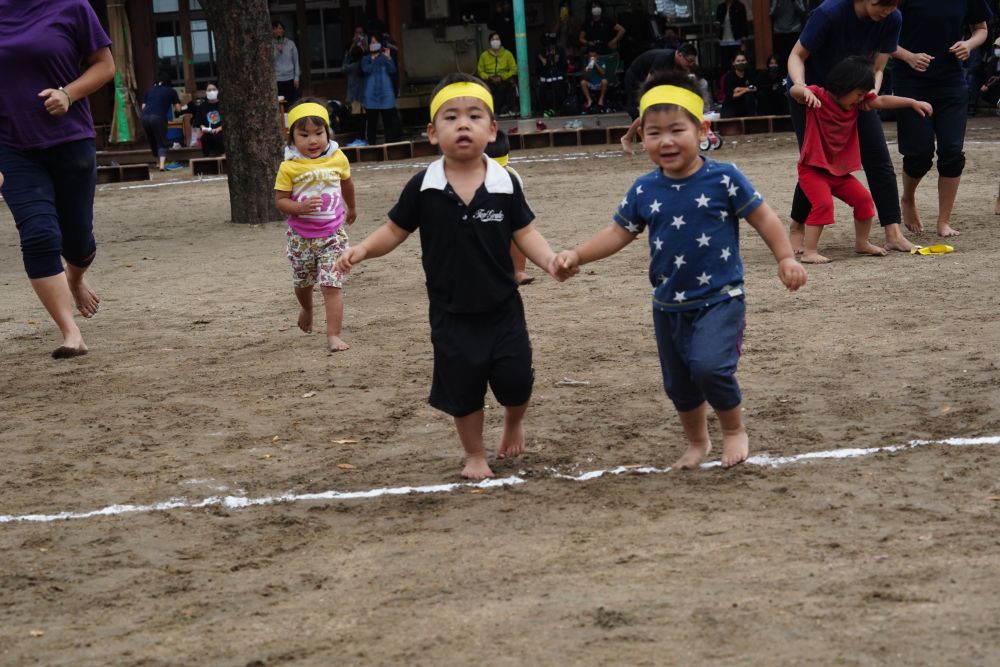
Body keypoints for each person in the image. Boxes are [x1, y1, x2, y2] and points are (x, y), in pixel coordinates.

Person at [554, 71, 807, 470]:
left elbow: (763, 217)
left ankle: (733, 430)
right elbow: (618, 232)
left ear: (702, 130)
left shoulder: (724, 178)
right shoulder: (643, 189)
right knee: (679, 384)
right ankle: (697, 441)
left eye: (676, 130)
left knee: (710, 367)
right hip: (668, 304)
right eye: (654, 133)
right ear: (642, 136)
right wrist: (577, 255)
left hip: (721, 298)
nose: (666, 141)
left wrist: (785, 257)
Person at [335, 73, 564, 480]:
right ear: (431, 132)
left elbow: (525, 232)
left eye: (474, 116)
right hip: (450, 313)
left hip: (503, 307)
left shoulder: (505, 184)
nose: (463, 125)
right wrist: (363, 249)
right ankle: (474, 454)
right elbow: (394, 230)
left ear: (491, 131)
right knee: (463, 389)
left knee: (516, 380)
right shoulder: (423, 187)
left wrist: (549, 261)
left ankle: (513, 422)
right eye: (451, 117)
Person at [0, 0, 115, 359]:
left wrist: (68, 93)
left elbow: (105, 65)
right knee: (38, 234)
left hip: (70, 141)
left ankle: (74, 277)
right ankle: (71, 333)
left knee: (77, 242)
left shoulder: (73, 6)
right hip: (12, 147)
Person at [787, 0, 915, 253]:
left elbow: (878, 67)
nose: (887, 11)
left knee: (879, 157)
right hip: (813, 94)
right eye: (881, 4)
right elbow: (797, 55)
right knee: (815, 163)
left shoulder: (892, 18)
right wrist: (801, 87)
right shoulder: (829, 13)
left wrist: (869, 94)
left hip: (856, 93)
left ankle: (892, 232)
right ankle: (797, 227)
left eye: (893, 5)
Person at [790, 56, 933, 263]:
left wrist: (912, 102)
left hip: (839, 173)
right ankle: (810, 252)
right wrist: (803, 90)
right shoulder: (818, 96)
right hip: (813, 170)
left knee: (864, 201)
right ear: (843, 86)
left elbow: (882, 100)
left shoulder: (857, 104)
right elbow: (794, 91)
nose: (860, 99)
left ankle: (862, 243)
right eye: (858, 94)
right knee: (823, 204)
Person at [892, 0, 992, 238]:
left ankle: (943, 221)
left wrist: (968, 44)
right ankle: (908, 198)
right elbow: (879, 34)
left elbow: (981, 29)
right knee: (919, 154)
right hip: (911, 81)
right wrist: (908, 56)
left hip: (951, 81)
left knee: (952, 152)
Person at [275, 100, 356, 352]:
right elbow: (280, 200)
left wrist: (352, 207)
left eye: (319, 133)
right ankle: (307, 308)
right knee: (303, 282)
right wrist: (299, 208)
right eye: (304, 135)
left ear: (327, 133)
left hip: (332, 235)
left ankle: (333, 335)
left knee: (331, 285)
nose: (313, 141)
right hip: (301, 237)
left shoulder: (337, 158)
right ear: (292, 138)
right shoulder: (289, 166)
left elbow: (347, 183)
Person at [485, 130, 532, 285]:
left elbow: (519, 208)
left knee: (516, 232)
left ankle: (519, 271)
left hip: (503, 215)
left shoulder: (512, 176)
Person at [624, 44, 699, 120]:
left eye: (693, 62)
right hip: (636, 77)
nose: (691, 64)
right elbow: (649, 82)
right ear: (680, 55)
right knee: (639, 106)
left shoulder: (681, 65)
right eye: (689, 61)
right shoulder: (664, 59)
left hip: (651, 79)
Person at [360, 35, 402, 146]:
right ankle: (371, 146)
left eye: (376, 42)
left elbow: (392, 70)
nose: (374, 44)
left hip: (386, 94)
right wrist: (375, 59)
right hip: (371, 95)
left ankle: (389, 146)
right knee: (371, 124)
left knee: (389, 123)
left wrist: (388, 58)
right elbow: (366, 70)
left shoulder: (384, 57)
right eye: (372, 42)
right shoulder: (366, 59)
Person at [140, 71, 181, 171]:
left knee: (152, 140)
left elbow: (143, 107)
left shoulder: (149, 90)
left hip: (144, 117)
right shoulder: (171, 91)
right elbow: (178, 108)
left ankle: (157, 163)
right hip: (158, 117)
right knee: (162, 140)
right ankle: (162, 166)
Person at [477, 32, 518, 116]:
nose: (495, 41)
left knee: (505, 88)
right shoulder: (484, 55)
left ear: (500, 41)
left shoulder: (507, 54)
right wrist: (488, 76)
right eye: (493, 39)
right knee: (487, 89)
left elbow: (514, 69)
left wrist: (503, 77)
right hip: (489, 80)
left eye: (497, 39)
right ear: (489, 42)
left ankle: (509, 110)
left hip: (504, 79)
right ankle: (492, 112)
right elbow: (480, 71)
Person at [536, 32, 568, 116]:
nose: (551, 47)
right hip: (545, 80)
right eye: (549, 45)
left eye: (552, 44)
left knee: (558, 90)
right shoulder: (540, 52)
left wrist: (558, 61)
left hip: (557, 78)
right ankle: (545, 110)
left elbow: (565, 66)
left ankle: (558, 110)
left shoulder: (560, 50)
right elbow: (537, 69)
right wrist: (543, 63)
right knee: (542, 91)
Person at [771, 0, 808, 67]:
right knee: (780, 59)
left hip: (794, 30)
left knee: (794, 57)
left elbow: (802, 11)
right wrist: (778, 3)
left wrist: (794, 1)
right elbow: (772, 14)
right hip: (779, 31)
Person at [721, 52, 758, 117]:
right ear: (733, 63)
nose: (741, 63)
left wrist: (738, 89)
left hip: (747, 106)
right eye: (738, 61)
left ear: (746, 62)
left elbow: (754, 87)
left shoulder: (750, 74)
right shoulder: (729, 77)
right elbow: (732, 95)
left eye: (743, 60)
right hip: (731, 106)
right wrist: (746, 89)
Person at [716, 0, 750, 71]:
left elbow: (743, 24)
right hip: (723, 41)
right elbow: (717, 22)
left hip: (736, 41)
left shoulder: (739, 6)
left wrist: (743, 42)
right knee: (725, 66)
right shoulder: (720, 7)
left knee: (737, 65)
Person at [273, 20, 300, 105]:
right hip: (277, 80)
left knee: (292, 103)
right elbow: (270, 62)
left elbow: (296, 62)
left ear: (283, 30)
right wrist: (277, 50)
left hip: (290, 79)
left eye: (280, 28)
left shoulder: (290, 43)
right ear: (272, 31)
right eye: (276, 28)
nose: (278, 30)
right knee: (280, 105)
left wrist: (296, 78)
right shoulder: (270, 44)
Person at [194, 83, 224, 157]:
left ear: (218, 91)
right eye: (209, 90)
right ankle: (207, 158)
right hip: (208, 132)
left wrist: (219, 128)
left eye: (214, 89)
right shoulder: (202, 107)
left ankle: (223, 155)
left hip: (221, 131)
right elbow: (199, 122)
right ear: (206, 92)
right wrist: (204, 128)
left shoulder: (223, 104)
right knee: (205, 139)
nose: (212, 92)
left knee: (218, 137)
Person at [579, 48, 609, 112]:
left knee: (605, 81)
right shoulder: (586, 63)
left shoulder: (601, 62)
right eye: (590, 56)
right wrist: (588, 69)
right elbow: (584, 76)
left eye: (594, 56)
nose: (592, 57)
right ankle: (589, 100)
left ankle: (601, 100)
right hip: (591, 83)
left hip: (599, 83)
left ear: (597, 56)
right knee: (582, 82)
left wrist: (595, 64)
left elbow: (603, 73)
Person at [979, 37, 1000, 108]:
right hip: (994, 85)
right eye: (996, 47)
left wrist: (998, 78)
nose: (997, 49)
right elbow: (989, 74)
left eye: (999, 47)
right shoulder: (993, 61)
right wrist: (986, 85)